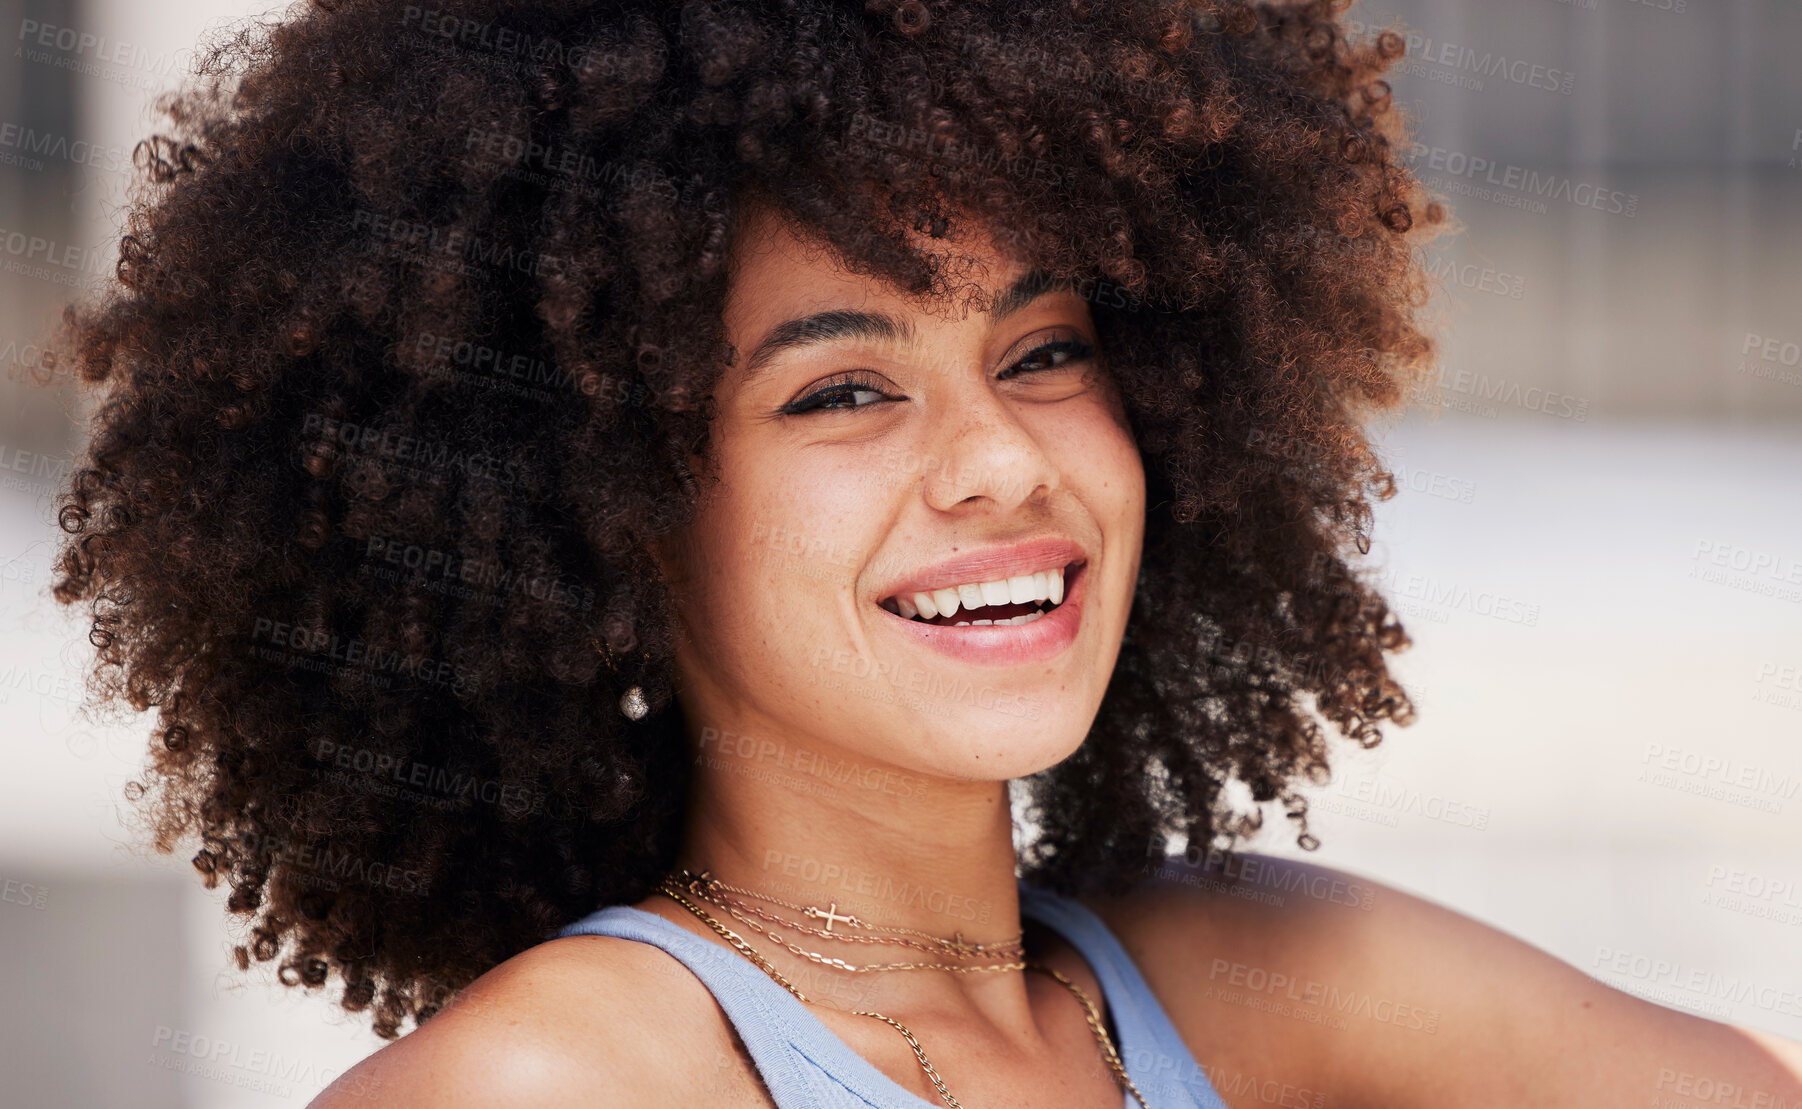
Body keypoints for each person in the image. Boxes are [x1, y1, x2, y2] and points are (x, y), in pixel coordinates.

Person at [44, 0, 1801, 1106]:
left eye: (1043, 353)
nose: (996, 462)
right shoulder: (555, 1080)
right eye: (843, 392)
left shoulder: (1256, 978)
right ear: (594, 515)